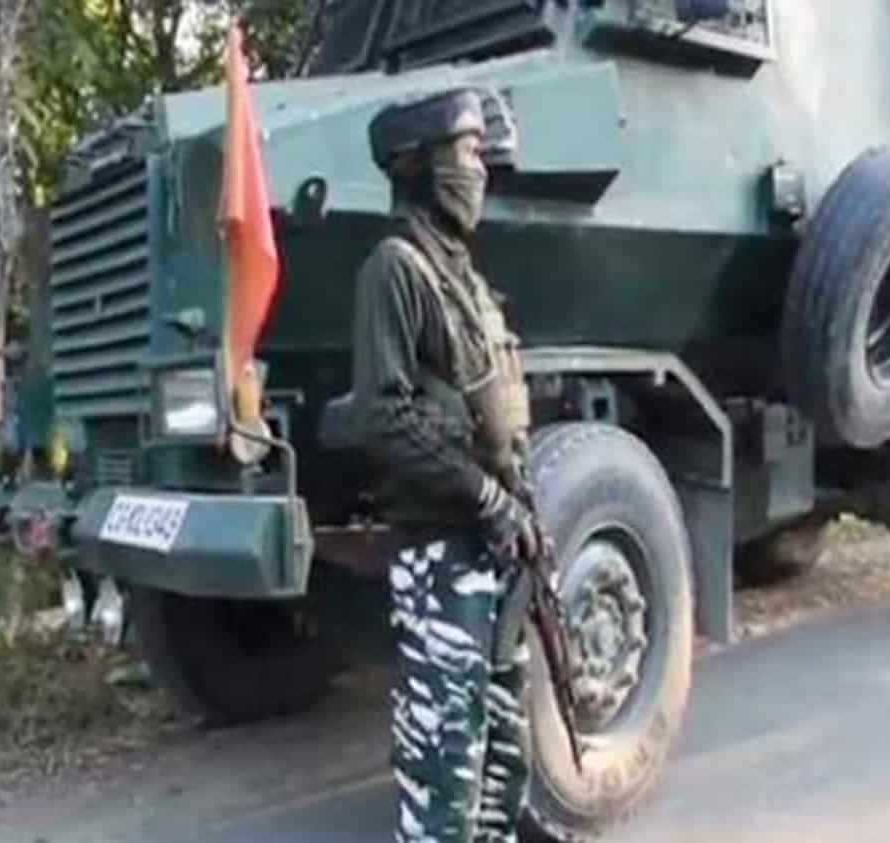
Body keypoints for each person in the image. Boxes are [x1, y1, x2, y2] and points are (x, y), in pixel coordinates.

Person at [350, 88, 547, 843]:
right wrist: (486, 498)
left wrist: (518, 505)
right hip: (441, 553)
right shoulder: (395, 269)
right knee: (445, 774)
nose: (481, 169)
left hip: (492, 552)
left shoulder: (461, 274)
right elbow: (385, 416)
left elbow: (490, 410)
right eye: (467, 153)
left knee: (502, 763)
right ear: (420, 166)